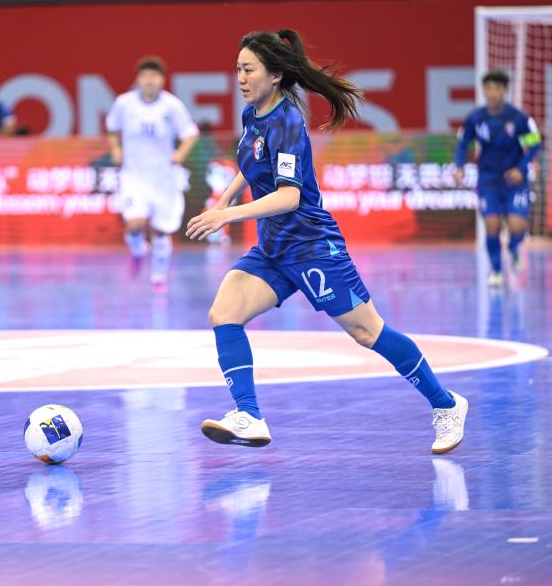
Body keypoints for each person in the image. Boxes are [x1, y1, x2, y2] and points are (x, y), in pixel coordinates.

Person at [185, 29, 468, 454]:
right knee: (224, 313)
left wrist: (226, 215)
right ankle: (249, 415)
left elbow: (289, 197)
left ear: (276, 75)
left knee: (368, 332)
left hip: (312, 247)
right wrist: (226, 195)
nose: (240, 78)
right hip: (274, 248)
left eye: (249, 70)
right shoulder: (253, 114)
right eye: (237, 70)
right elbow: (253, 162)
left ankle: (445, 405)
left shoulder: (287, 122)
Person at [106, 56, 199, 290]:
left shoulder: (172, 106)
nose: (149, 80)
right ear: (138, 79)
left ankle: (158, 277)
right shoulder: (124, 104)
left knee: (160, 230)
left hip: (163, 178)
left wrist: (180, 153)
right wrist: (116, 149)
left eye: (154, 76)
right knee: (134, 224)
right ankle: (137, 250)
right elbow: (112, 128)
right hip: (134, 176)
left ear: (162, 80)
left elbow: (190, 133)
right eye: (145, 76)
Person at [454, 71, 542, 287]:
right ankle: (496, 271)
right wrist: (459, 167)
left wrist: (521, 168)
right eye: (489, 88)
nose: (493, 93)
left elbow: (534, 144)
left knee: (517, 226)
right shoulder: (475, 118)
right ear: (483, 91)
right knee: (492, 225)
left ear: (505, 91)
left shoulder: (518, 118)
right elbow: (462, 144)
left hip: (514, 180)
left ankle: (513, 247)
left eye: (497, 88)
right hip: (488, 180)